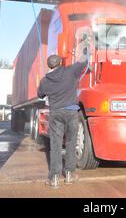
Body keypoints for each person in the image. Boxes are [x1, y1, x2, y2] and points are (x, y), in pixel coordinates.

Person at [37, 54, 88, 188]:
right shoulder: (70, 71)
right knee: (71, 143)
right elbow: (84, 61)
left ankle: (54, 178)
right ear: (60, 62)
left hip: (56, 114)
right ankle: (70, 175)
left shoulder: (45, 81)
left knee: (56, 145)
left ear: (50, 65)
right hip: (71, 112)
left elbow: (40, 95)